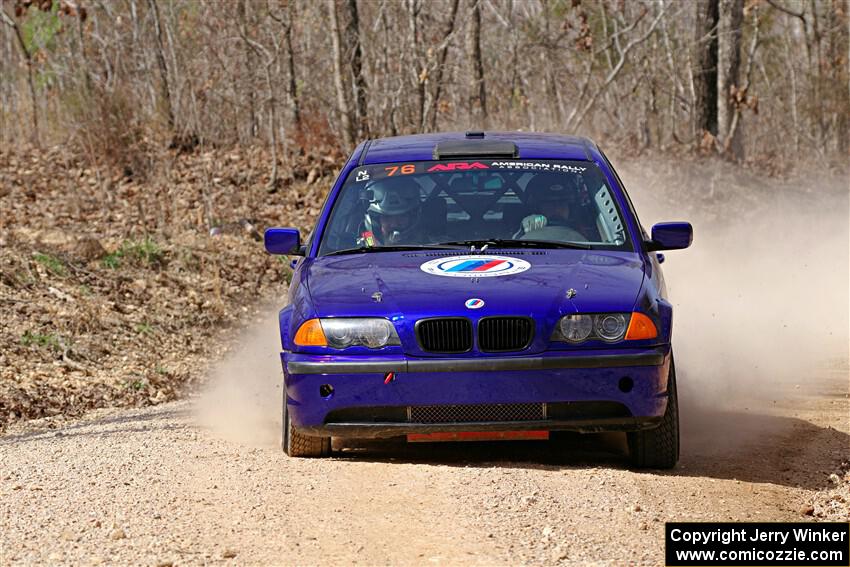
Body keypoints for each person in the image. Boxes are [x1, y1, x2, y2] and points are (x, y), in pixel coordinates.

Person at [515, 173, 588, 241]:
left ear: (571, 207)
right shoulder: (527, 229)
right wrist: (523, 231)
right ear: (536, 208)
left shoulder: (587, 228)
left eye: (561, 203)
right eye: (549, 203)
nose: (557, 208)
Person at [357, 177, 424, 246]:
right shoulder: (364, 246)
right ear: (376, 222)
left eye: (401, 216)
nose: (394, 224)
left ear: (412, 218)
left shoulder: (429, 241)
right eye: (387, 217)